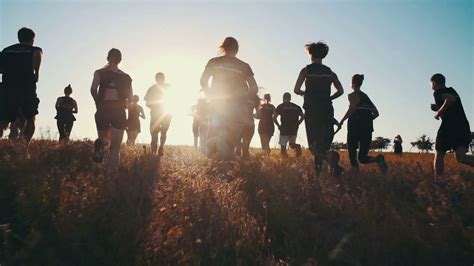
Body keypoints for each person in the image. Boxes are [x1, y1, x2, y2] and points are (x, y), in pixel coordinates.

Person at [200, 37, 258, 160]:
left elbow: (203, 81)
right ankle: (223, 158)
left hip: (218, 104)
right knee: (232, 139)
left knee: (215, 133)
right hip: (237, 107)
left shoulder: (214, 62)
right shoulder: (244, 66)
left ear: (223, 47)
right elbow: (254, 88)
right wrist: (243, 98)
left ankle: (214, 154)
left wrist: (210, 94)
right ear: (237, 49)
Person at [293, 42, 343, 176]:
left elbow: (296, 89)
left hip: (312, 110)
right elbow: (341, 91)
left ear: (311, 54)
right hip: (327, 110)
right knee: (323, 144)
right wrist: (330, 98)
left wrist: (304, 93)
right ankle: (321, 172)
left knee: (314, 146)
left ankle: (327, 161)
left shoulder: (306, 70)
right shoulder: (330, 72)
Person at [0, 27, 42, 156]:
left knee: (3, 120)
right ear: (33, 39)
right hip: (26, 89)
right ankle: (23, 148)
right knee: (30, 119)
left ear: (19, 38)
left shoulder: (6, 51)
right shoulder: (35, 50)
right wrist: (36, 75)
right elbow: (36, 73)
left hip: (7, 88)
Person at [90, 48, 133, 174]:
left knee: (104, 139)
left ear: (107, 58)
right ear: (120, 60)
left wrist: (97, 102)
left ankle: (101, 144)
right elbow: (130, 98)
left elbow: (93, 89)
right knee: (115, 147)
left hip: (103, 108)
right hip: (118, 111)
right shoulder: (126, 77)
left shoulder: (99, 72)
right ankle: (111, 175)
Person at [338, 74, 388, 173]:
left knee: (352, 153)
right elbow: (376, 113)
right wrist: (367, 121)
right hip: (367, 129)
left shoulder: (352, 95)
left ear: (352, 83)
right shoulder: (366, 97)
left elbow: (352, 109)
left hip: (354, 127)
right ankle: (377, 159)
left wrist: (342, 120)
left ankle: (356, 176)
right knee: (362, 158)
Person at [430, 73, 474, 180]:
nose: (431, 86)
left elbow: (449, 100)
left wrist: (438, 113)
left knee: (439, 153)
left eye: (431, 84)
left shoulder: (438, 92)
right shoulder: (452, 91)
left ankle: (438, 182)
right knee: (461, 157)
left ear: (435, 83)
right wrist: (437, 107)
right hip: (462, 126)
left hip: (449, 126)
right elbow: (452, 104)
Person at [144, 72, 172, 156]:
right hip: (159, 113)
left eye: (161, 78)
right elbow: (147, 102)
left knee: (160, 132)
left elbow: (175, 99)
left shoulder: (168, 87)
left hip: (165, 113)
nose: (160, 79)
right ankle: (156, 150)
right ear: (156, 79)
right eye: (159, 78)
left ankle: (159, 148)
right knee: (157, 133)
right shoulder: (152, 89)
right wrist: (154, 107)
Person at [273, 92, 304, 157]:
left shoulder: (281, 106)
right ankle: (297, 148)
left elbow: (274, 117)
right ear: (290, 98)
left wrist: (278, 125)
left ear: (283, 98)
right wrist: (298, 123)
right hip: (294, 128)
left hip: (284, 128)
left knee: (283, 148)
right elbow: (303, 116)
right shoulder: (296, 107)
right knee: (292, 144)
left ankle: (285, 161)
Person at [236, 93, 260, 157]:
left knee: (238, 147)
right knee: (245, 148)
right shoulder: (255, 98)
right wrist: (253, 115)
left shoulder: (238, 95)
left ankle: (237, 163)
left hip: (239, 123)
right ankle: (244, 163)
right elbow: (258, 115)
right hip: (249, 124)